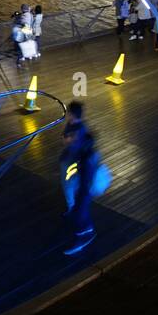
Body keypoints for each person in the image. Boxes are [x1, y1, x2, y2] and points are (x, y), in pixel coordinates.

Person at [60, 101, 98, 255]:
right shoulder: (76, 131)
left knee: (80, 209)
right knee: (79, 206)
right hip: (81, 175)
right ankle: (87, 230)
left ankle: (83, 238)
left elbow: (71, 145)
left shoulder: (85, 156)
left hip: (84, 177)